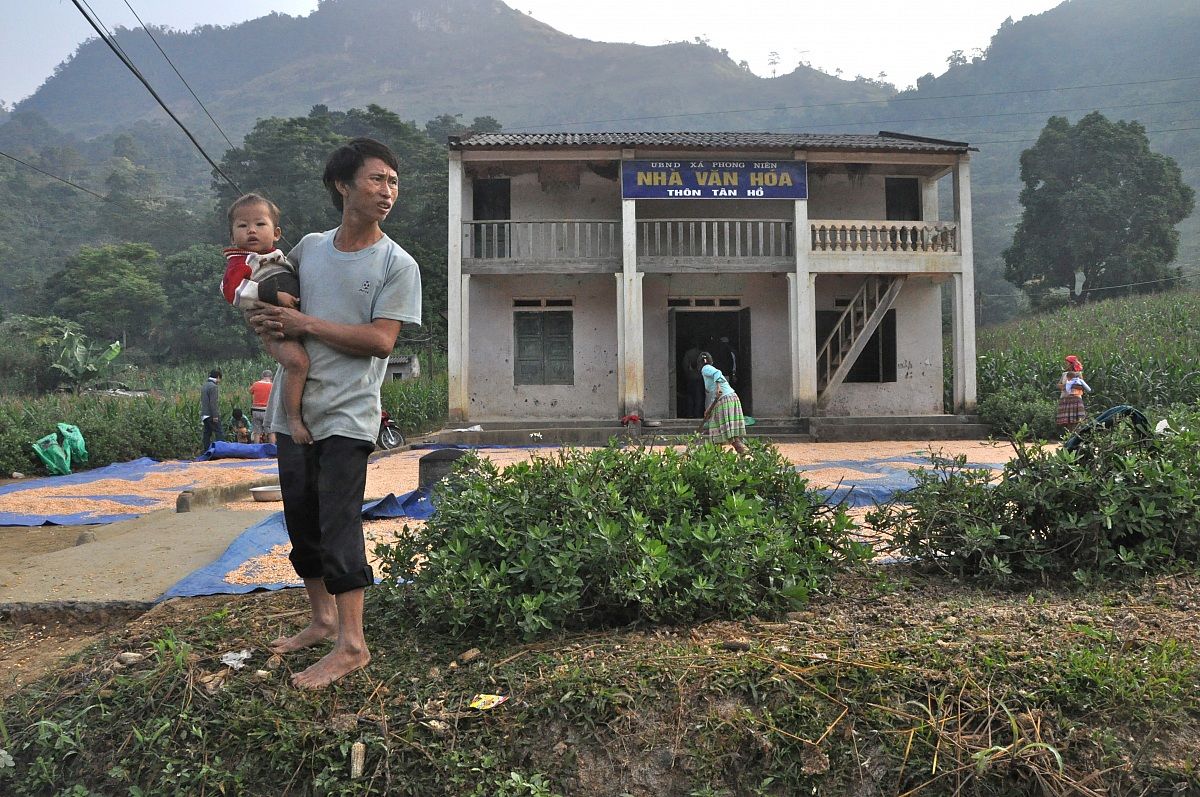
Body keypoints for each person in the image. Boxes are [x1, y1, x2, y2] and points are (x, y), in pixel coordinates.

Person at [249, 138, 421, 689]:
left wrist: (307, 327)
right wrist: (265, 317)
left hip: (349, 412)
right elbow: (278, 297)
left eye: (393, 181)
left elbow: (380, 341)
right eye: (376, 179)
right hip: (293, 408)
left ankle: (353, 645)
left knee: (337, 520)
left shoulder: (398, 263)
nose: (387, 191)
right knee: (300, 517)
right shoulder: (310, 248)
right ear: (342, 186)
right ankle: (322, 619)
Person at [221, 194, 313, 445]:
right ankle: (293, 420)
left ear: (276, 232)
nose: (251, 230)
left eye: (260, 224)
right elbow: (232, 291)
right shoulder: (240, 260)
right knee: (297, 363)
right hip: (274, 329)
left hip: (299, 320)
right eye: (242, 226)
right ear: (232, 236)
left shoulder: (280, 257)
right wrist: (273, 294)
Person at [697, 351, 749, 455]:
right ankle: (719, 457)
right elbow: (714, 396)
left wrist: (718, 386)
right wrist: (709, 410)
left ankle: (744, 454)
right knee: (719, 432)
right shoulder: (706, 372)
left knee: (730, 436)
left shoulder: (706, 368)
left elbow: (718, 373)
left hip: (725, 400)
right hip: (725, 399)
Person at [1056, 354, 1091, 430]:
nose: (1066, 364)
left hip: (1075, 398)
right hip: (1065, 398)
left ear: (1071, 364)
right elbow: (1059, 385)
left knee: (1076, 421)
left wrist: (1071, 385)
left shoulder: (1078, 374)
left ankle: (1074, 435)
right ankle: (1069, 436)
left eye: (1067, 363)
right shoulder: (1064, 374)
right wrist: (1065, 385)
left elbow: (1082, 387)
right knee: (1067, 421)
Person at [680, 339, 704, 418]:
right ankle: (698, 414)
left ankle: (690, 413)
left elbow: (685, 365)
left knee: (690, 396)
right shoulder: (702, 353)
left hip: (691, 377)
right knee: (699, 396)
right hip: (700, 377)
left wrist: (687, 374)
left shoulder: (688, 353)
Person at [249, 369, 274, 443]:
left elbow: (250, 391)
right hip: (267, 411)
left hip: (255, 410)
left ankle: (256, 449)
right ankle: (272, 450)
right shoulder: (272, 385)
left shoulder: (256, 384)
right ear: (271, 377)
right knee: (270, 432)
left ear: (262, 376)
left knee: (257, 432)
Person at [200, 369, 222, 452]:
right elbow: (213, 402)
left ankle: (206, 451)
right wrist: (215, 415)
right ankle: (222, 450)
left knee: (207, 433)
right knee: (219, 432)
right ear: (218, 377)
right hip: (211, 414)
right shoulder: (213, 387)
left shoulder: (204, 385)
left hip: (204, 414)